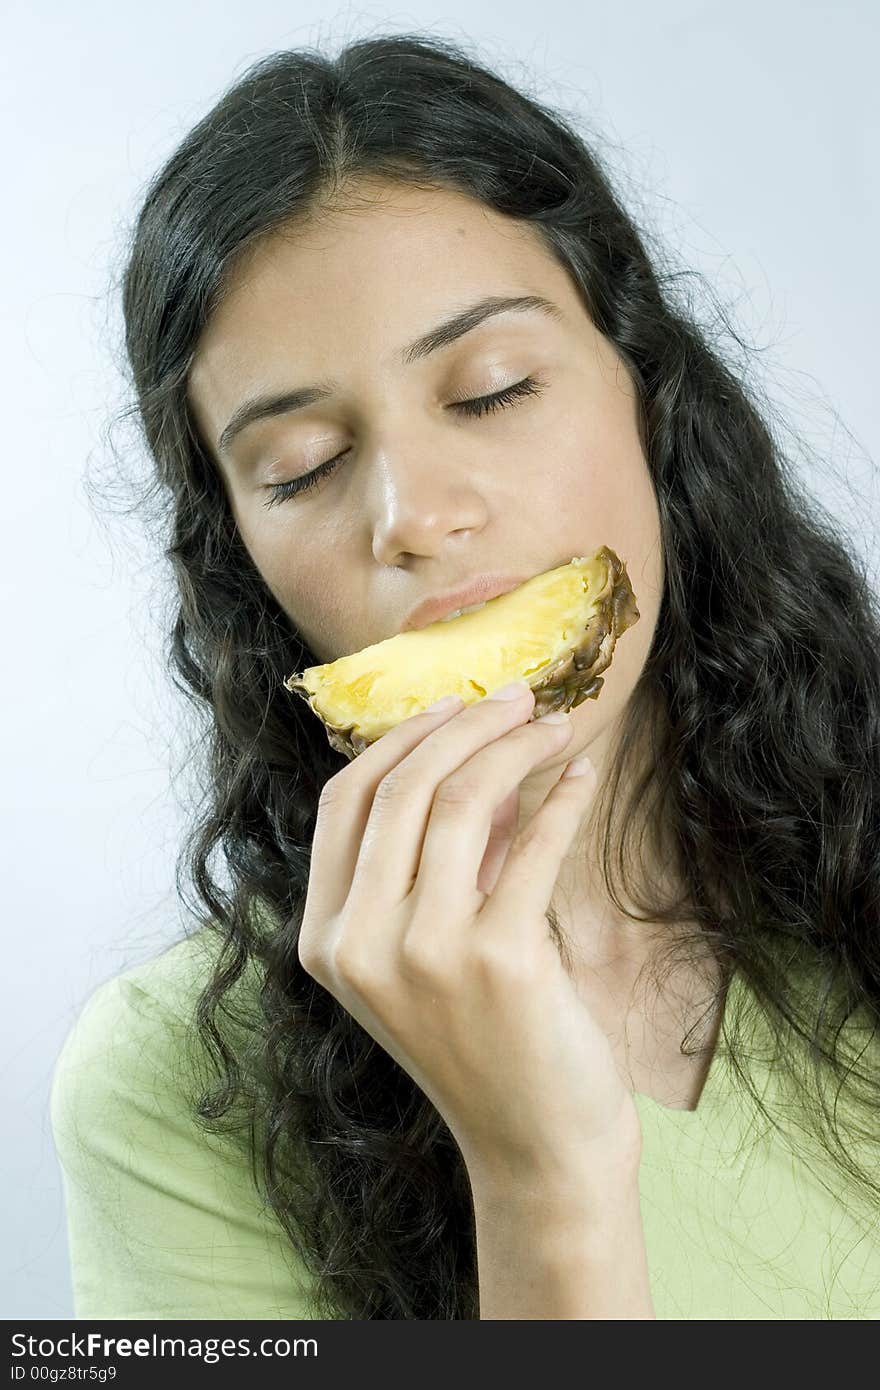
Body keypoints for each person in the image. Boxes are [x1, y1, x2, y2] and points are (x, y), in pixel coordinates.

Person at [51, 32, 880, 1320]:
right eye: (304, 466)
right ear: (242, 560)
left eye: (490, 391)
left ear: (648, 394)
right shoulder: (172, 1088)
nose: (413, 515)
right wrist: (542, 1180)